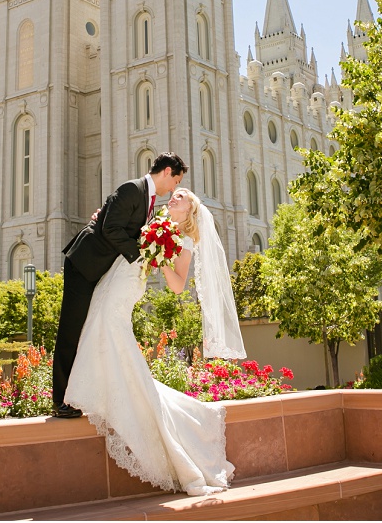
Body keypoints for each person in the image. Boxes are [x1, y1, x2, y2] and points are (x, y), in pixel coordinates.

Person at [64, 187, 246, 496]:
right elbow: (123, 231)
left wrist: (159, 256)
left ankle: (115, 398)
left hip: (129, 285)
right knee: (96, 323)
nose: (175, 196)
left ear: (190, 210)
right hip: (113, 276)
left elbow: (177, 285)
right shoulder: (154, 217)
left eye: (182, 196)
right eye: (175, 193)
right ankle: (108, 391)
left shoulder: (186, 239)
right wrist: (101, 217)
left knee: (109, 327)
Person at [51, 152, 187, 418]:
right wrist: (138, 255)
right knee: (71, 329)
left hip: (98, 269)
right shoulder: (131, 189)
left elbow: (117, 226)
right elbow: (111, 229)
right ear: (167, 172)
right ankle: (60, 401)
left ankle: (75, 394)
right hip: (83, 264)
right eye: (176, 181)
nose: (174, 188)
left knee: (86, 328)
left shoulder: (146, 199)